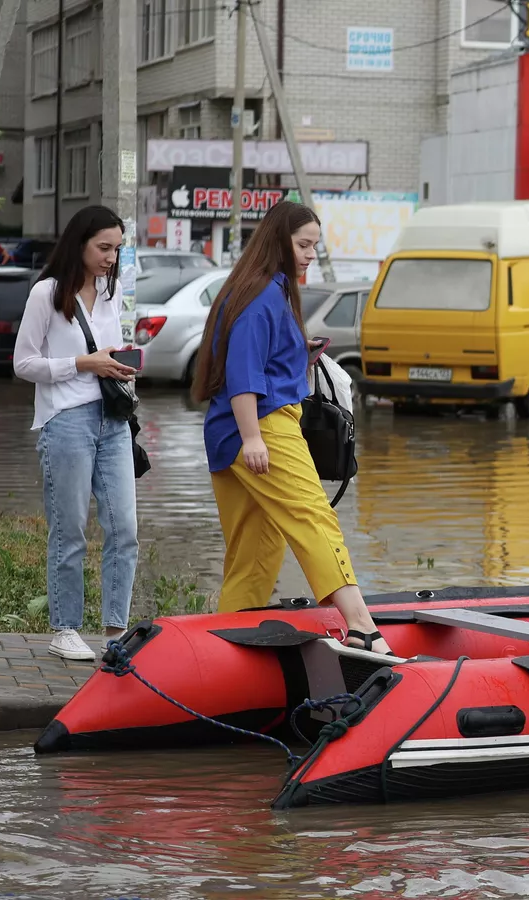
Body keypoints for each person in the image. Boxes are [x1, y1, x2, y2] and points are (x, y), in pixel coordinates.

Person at [190, 201, 395, 656]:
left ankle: (220, 644)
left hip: (234, 432)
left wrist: (296, 350)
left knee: (255, 551)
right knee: (314, 518)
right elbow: (244, 373)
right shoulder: (262, 296)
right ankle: (361, 624)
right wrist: (254, 439)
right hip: (262, 426)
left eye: (314, 246)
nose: (308, 254)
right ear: (277, 240)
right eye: (303, 245)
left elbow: (249, 360)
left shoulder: (258, 291)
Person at [12, 207, 139, 661]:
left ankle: (114, 632)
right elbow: (22, 364)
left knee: (124, 528)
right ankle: (65, 628)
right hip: (65, 421)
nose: (111, 257)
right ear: (79, 243)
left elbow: (108, 348)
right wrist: (83, 364)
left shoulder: (112, 288)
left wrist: (121, 363)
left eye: (116, 249)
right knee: (70, 531)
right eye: (103, 247)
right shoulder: (47, 293)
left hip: (113, 419)